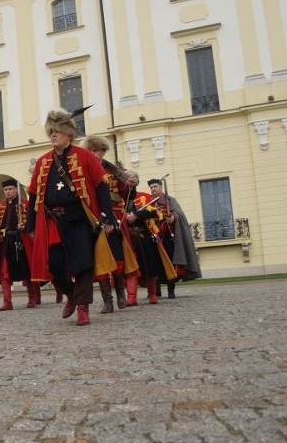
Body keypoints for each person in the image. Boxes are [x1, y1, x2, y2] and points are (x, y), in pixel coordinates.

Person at [25, 109, 117, 326]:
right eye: (51, 131)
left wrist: (107, 216)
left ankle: (83, 308)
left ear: (68, 134)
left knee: (83, 263)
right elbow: (33, 194)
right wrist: (31, 223)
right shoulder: (43, 161)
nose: (53, 135)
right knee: (54, 265)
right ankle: (71, 295)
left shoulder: (84, 156)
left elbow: (101, 186)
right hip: (53, 221)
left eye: (57, 131)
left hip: (79, 218)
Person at [81, 135, 140, 313]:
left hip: (114, 217)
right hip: (94, 218)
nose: (98, 154)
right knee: (99, 261)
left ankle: (121, 293)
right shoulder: (84, 170)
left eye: (101, 151)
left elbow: (126, 193)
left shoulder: (113, 171)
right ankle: (107, 300)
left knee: (118, 259)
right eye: (94, 150)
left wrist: (131, 184)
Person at [148, 178, 203, 297]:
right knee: (156, 264)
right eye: (151, 187)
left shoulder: (170, 200)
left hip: (168, 237)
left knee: (170, 264)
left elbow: (179, 213)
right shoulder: (149, 202)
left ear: (161, 187)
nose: (153, 189)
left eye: (155, 186)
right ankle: (156, 291)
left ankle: (170, 290)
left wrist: (173, 217)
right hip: (154, 237)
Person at [0, 178, 37, 310]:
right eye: (6, 189)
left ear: (16, 189)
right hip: (5, 242)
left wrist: (25, 225)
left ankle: (32, 297)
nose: (8, 192)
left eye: (11, 189)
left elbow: (33, 223)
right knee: (4, 272)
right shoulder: (0, 207)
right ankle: (7, 301)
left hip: (20, 240)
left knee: (26, 269)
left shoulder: (25, 204)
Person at [126, 191, 178, 304]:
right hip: (128, 238)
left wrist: (136, 215)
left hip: (145, 237)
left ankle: (152, 294)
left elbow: (155, 212)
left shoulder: (144, 197)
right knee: (131, 268)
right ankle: (131, 297)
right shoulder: (119, 199)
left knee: (150, 266)